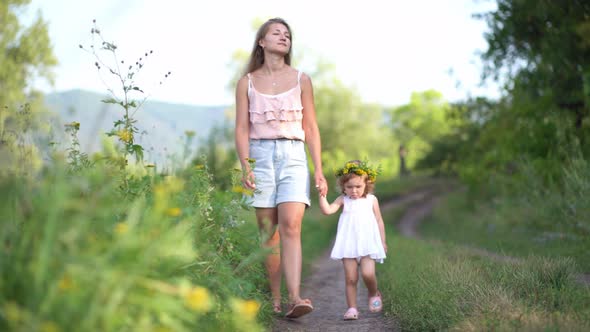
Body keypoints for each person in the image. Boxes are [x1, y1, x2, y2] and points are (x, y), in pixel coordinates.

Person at [234, 17, 327, 319]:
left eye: (287, 34)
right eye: (276, 33)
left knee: (291, 225)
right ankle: (274, 299)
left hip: (293, 154)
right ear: (261, 42)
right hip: (259, 157)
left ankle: (295, 298)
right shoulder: (246, 83)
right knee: (268, 233)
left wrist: (319, 169)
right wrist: (245, 166)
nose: (283, 37)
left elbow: (311, 127)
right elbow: (241, 128)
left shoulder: (302, 79)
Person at [318, 160, 387, 321]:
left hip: (368, 243)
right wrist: (322, 195)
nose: (354, 191)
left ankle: (373, 293)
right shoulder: (343, 200)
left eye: (358, 186)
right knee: (351, 278)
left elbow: (379, 221)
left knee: (368, 273)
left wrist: (382, 242)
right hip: (348, 243)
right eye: (349, 187)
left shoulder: (371, 200)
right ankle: (352, 308)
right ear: (343, 186)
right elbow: (328, 210)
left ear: (367, 184)